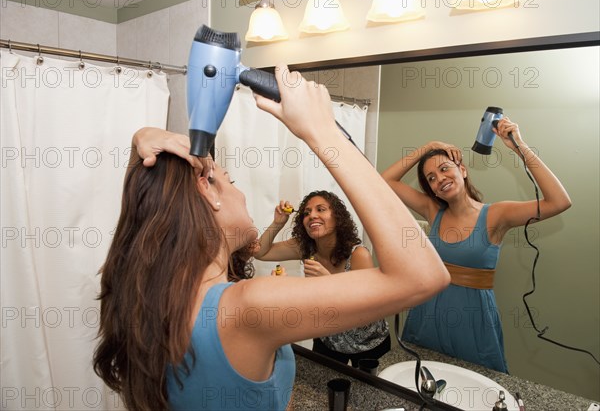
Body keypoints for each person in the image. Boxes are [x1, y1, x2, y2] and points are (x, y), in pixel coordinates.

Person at [93, 64, 450, 411]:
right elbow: (423, 275)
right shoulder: (246, 307)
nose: (241, 192)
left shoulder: (149, 296)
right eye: (230, 180)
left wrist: (139, 144)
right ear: (209, 192)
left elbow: (138, 218)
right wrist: (322, 132)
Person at [381, 120, 571, 373]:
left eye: (445, 169)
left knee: (477, 386)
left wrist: (519, 146)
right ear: (433, 191)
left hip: (473, 320)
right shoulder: (432, 210)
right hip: (427, 314)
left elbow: (559, 202)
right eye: (432, 178)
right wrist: (429, 147)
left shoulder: (497, 215)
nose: (440, 179)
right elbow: (385, 180)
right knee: (424, 382)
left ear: (463, 170)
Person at [254, 190, 391, 367]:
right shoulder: (305, 248)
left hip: (369, 344)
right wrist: (277, 223)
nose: (312, 216)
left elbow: (369, 311)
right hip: (328, 341)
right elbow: (260, 252)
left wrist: (329, 282)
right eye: (306, 213)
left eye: (321, 209)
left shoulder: (358, 255)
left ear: (337, 217)